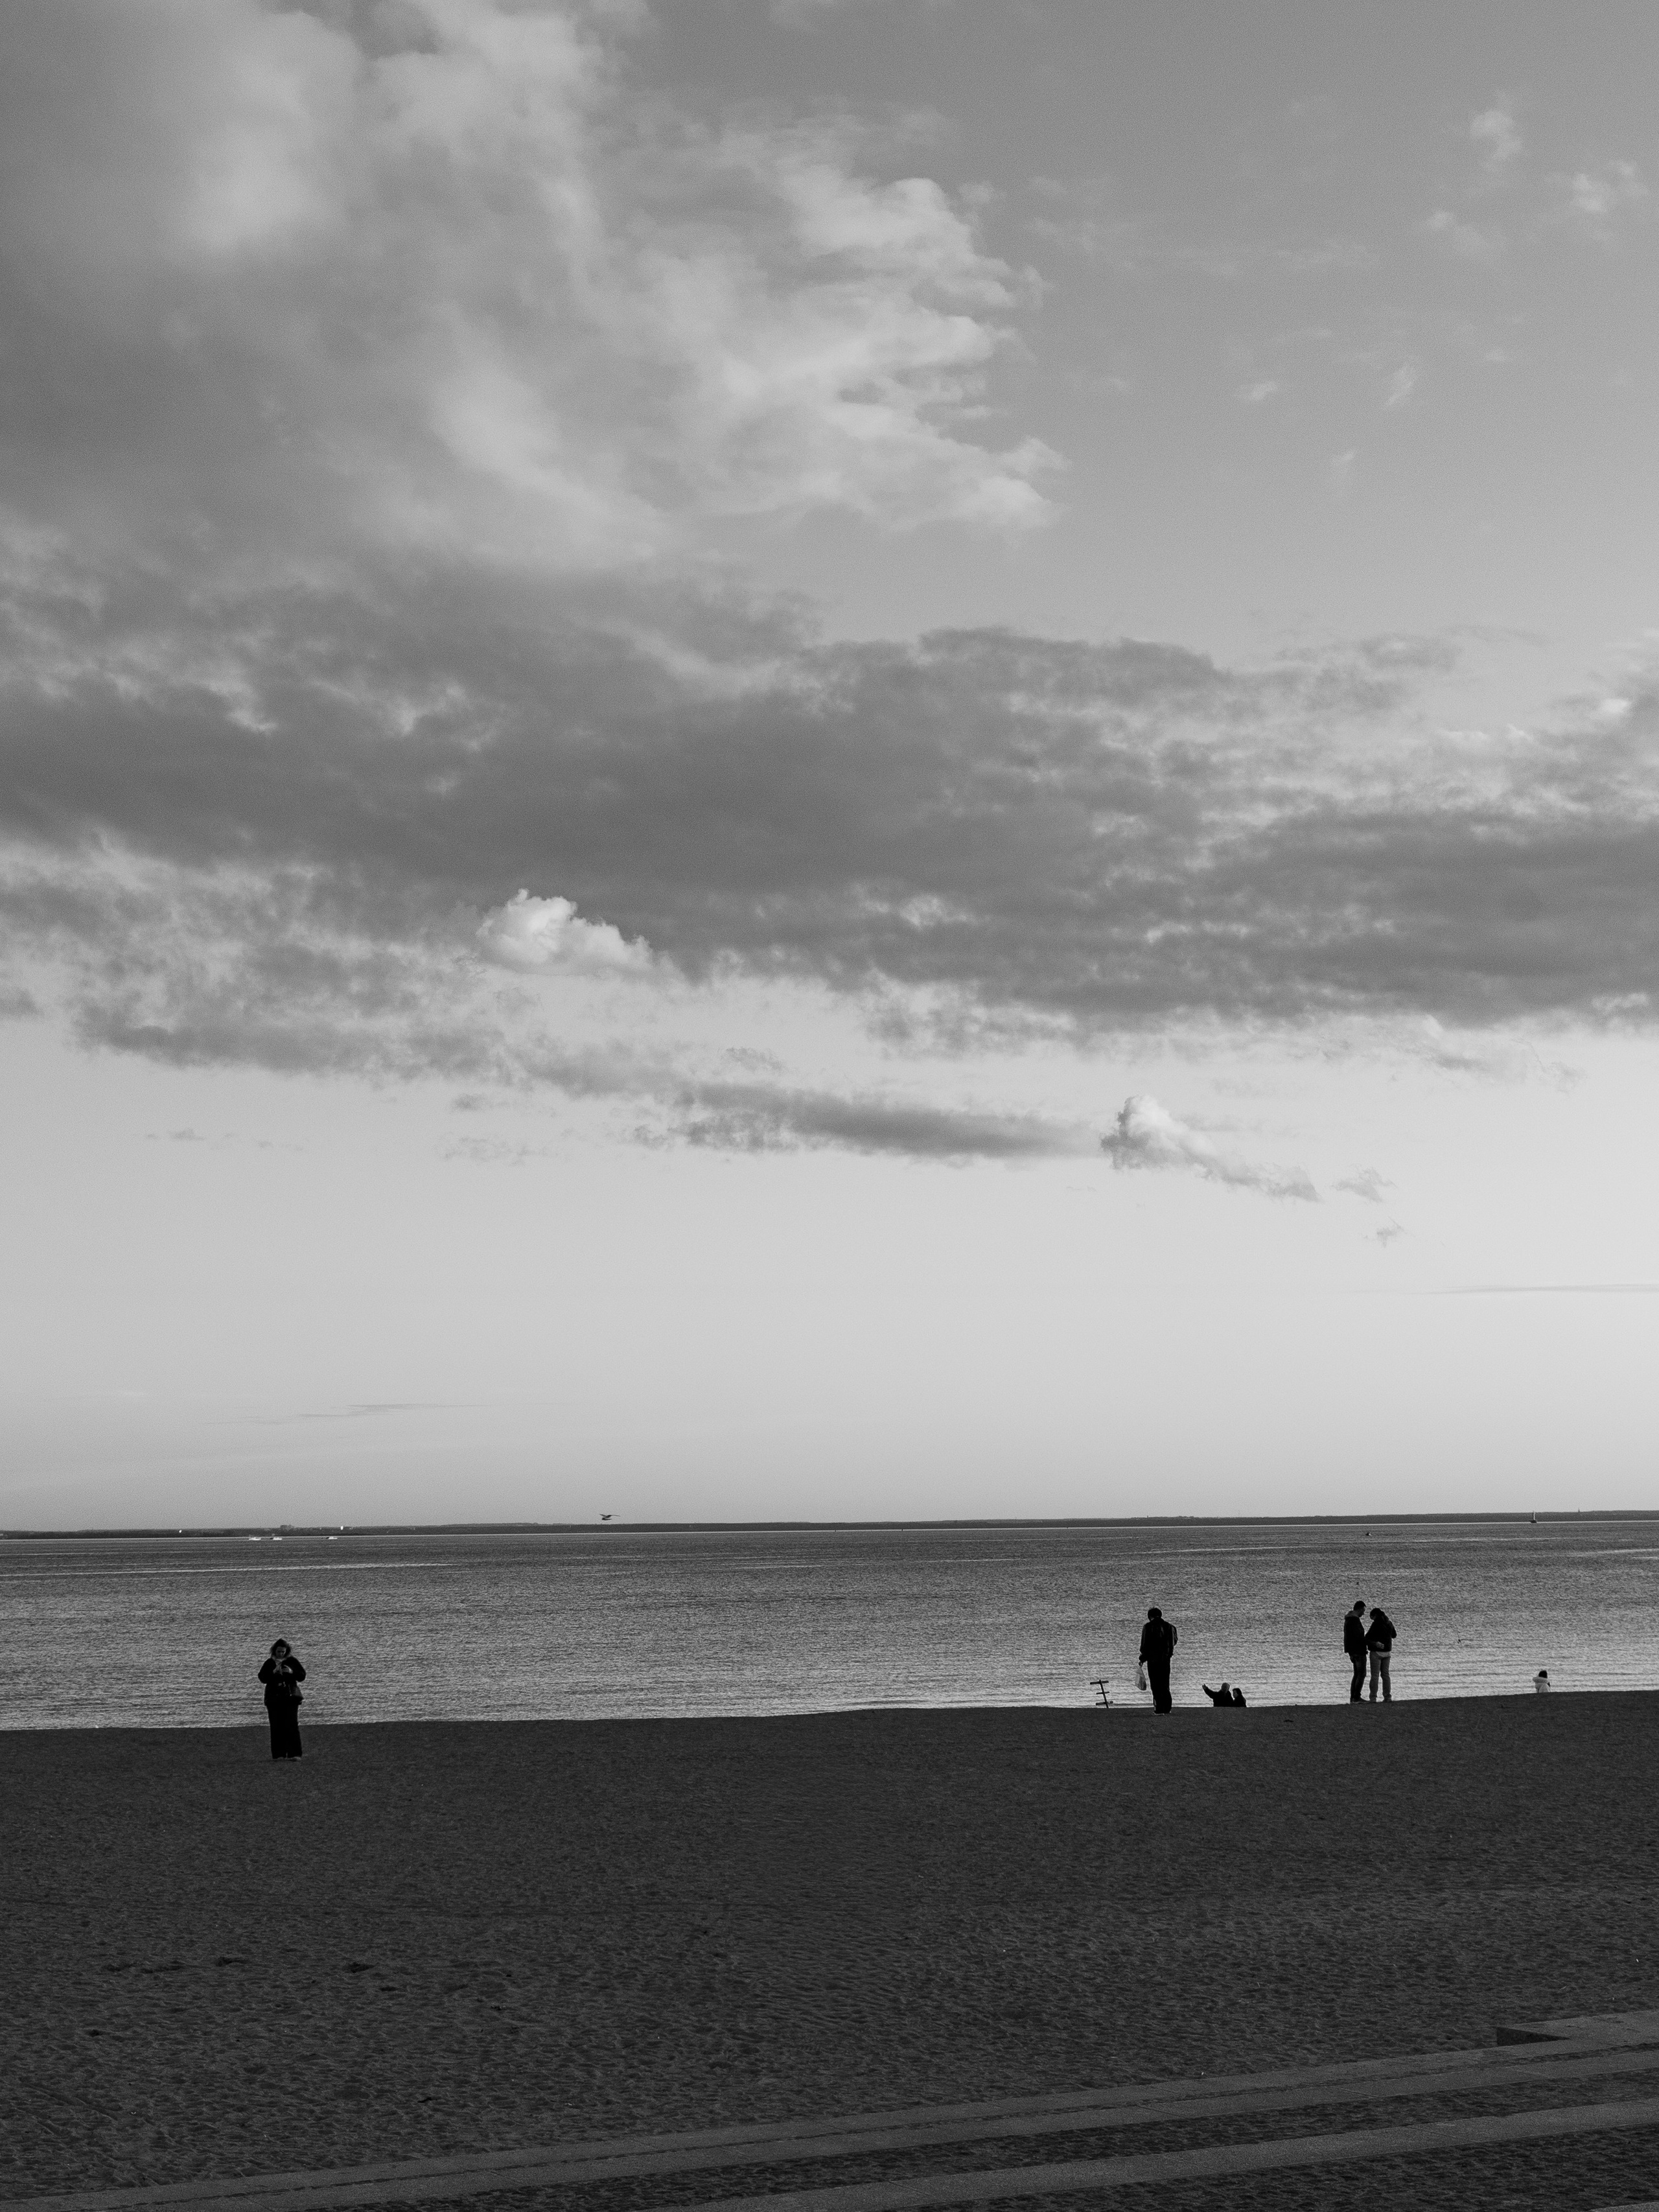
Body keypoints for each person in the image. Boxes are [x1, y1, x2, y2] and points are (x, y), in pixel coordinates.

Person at [259, 1638, 307, 1760]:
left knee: (292, 1725)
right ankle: (279, 1754)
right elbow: (262, 1678)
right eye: (279, 1652)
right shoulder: (269, 1663)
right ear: (275, 1651)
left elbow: (302, 1676)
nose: (281, 1654)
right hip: (274, 1698)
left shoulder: (292, 1661)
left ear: (286, 1651)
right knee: (276, 1726)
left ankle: (295, 1754)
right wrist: (274, 1672)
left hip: (290, 1697)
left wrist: (291, 1672)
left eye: (283, 1652)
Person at [1139, 1607, 1178, 1714]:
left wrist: (1143, 1658)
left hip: (1153, 1660)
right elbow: (1174, 1641)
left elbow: (1145, 1645)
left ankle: (1159, 1708)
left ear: (1150, 1617)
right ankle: (1167, 1708)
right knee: (1165, 1684)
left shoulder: (1148, 1627)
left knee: (1155, 1685)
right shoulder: (1169, 1627)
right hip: (1166, 1659)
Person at [1365, 1605, 1397, 1703]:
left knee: (1375, 1676)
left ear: (1374, 1616)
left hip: (1377, 1652)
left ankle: (1373, 1698)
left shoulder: (1376, 1624)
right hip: (1387, 1652)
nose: (1372, 1620)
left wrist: (1374, 1643)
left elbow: (1367, 1637)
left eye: (1372, 1618)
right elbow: (1394, 1635)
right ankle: (1387, 1696)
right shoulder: (1389, 1623)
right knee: (1386, 1675)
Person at [1343, 1600, 1368, 1703]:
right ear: (1360, 1609)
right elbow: (1358, 1637)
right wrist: (1370, 1642)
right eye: (1363, 1610)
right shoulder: (1354, 1621)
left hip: (1353, 1651)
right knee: (1361, 1674)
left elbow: (1348, 1638)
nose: (1364, 1613)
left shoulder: (1349, 1620)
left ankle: (1353, 1697)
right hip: (1358, 1651)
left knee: (1357, 1674)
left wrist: (1349, 1651)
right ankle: (1356, 1697)